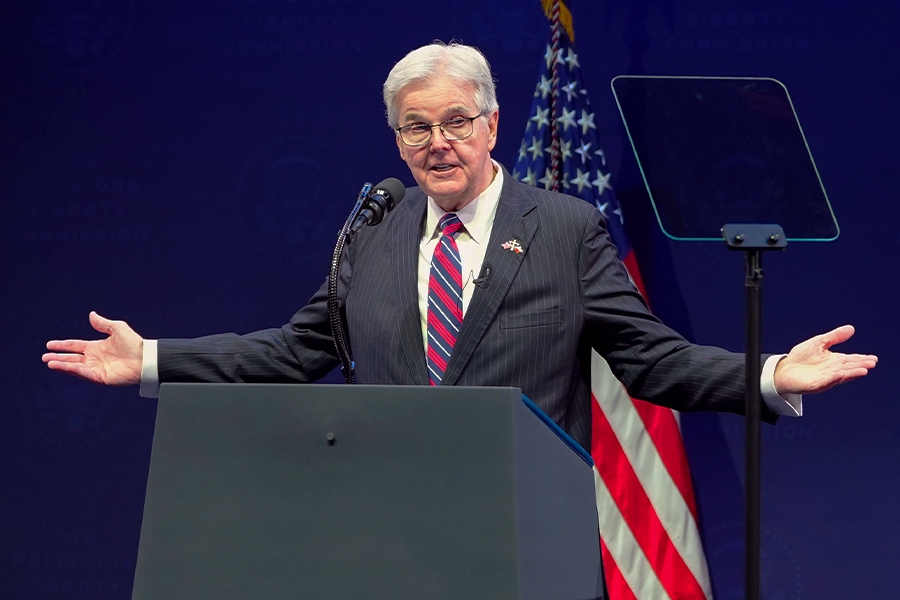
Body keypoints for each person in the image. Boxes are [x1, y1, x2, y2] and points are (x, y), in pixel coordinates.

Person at [43, 42, 876, 450]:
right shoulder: (371, 229)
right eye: (415, 127)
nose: (436, 142)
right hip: (386, 525)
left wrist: (768, 374)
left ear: (490, 125)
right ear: (396, 138)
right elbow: (294, 352)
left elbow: (653, 362)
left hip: (521, 521)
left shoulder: (562, 228)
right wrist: (150, 357)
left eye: (453, 123)